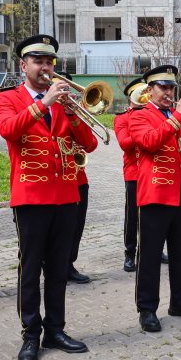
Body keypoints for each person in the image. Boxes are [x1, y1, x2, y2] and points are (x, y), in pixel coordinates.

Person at [0, 35, 95, 360]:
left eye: (49, 62)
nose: (46, 67)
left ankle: (55, 330)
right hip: (31, 197)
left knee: (57, 269)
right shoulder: (7, 98)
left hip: (65, 195)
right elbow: (8, 130)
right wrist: (43, 103)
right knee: (30, 268)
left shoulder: (64, 101)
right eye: (38, 61)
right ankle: (30, 335)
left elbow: (90, 144)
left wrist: (73, 113)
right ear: (23, 66)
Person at [129, 65, 181, 332]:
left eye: (172, 88)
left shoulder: (179, 116)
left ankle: (179, 302)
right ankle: (147, 308)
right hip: (156, 193)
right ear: (149, 90)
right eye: (163, 87)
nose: (169, 92)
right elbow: (149, 142)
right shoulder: (139, 115)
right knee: (150, 255)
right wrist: (178, 118)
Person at [113, 78, 168, 271]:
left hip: (156, 171)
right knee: (133, 217)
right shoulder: (122, 118)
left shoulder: (155, 114)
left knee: (157, 215)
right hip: (134, 173)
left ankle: (156, 249)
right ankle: (130, 253)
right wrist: (142, 134)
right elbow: (124, 144)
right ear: (131, 96)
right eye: (141, 93)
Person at [62, 72, 99, 285]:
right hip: (52, 178)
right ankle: (50, 265)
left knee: (76, 226)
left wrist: (74, 117)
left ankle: (68, 265)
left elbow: (91, 144)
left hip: (77, 178)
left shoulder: (76, 109)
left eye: (66, 88)